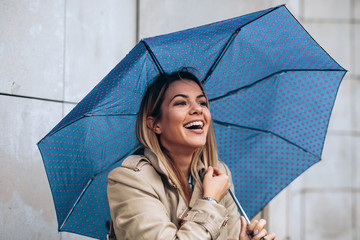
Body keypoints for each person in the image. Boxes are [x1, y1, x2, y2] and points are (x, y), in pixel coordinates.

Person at [107, 68, 276, 240]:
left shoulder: (219, 174)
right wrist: (210, 201)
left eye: (202, 103)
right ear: (155, 124)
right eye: (181, 103)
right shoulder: (129, 180)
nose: (198, 110)